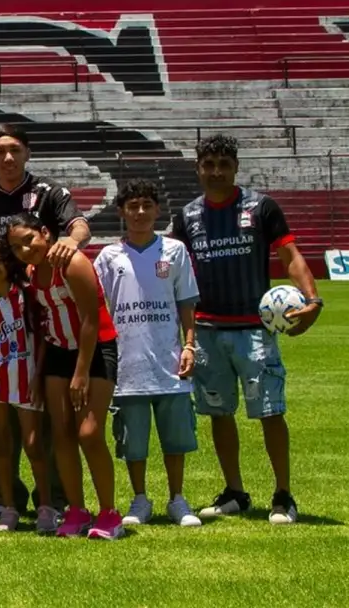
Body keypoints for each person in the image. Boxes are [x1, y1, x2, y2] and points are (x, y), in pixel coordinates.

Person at [169, 134, 322, 525]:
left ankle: (283, 494)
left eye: (224, 164)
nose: (216, 171)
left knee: (271, 412)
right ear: (198, 168)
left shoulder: (261, 207)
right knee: (219, 414)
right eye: (209, 164)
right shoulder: (186, 217)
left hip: (255, 330)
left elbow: (290, 255)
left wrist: (313, 300)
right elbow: (175, 274)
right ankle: (234, 491)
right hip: (206, 330)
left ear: (235, 167)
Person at [0, 123, 80, 516]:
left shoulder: (49, 193)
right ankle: (6, 498)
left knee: (43, 418)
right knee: (0, 417)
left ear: (27, 152)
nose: (8, 158)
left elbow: (77, 224)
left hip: (40, 309)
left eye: (15, 149)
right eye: (0, 151)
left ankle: (54, 497)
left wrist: (71, 240)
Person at [7, 213, 122, 540]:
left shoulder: (71, 263)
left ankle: (110, 514)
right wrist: (40, 372)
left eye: (28, 240)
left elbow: (89, 319)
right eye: (16, 247)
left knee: (89, 432)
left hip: (95, 349)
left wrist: (81, 372)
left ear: (45, 232)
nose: (24, 250)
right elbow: (44, 322)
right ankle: (76, 510)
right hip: (58, 351)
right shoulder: (32, 271)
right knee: (62, 434)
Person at [95, 179, 202, 528]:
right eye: (132, 206)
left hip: (169, 358)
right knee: (133, 442)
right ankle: (140, 498)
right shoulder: (109, 257)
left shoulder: (175, 251)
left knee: (176, 438)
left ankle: (177, 499)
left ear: (158, 210)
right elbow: (98, 307)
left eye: (146, 205)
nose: (140, 213)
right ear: (121, 212)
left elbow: (186, 302)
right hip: (128, 362)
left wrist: (189, 345)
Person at [0, 237, 55, 533]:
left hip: (27, 376)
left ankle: (46, 505)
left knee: (33, 445)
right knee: (1, 445)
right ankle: (9, 507)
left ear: (10, 263)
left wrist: (39, 375)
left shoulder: (28, 294)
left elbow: (42, 339)